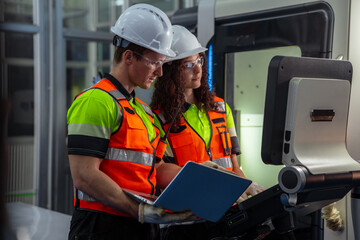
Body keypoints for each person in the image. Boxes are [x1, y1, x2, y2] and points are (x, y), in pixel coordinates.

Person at [67, 5, 194, 240]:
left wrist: (198, 177)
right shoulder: (96, 101)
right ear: (128, 56)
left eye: (162, 63)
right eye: (155, 62)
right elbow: (84, 176)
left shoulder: (142, 111)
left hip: (141, 225)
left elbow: (153, 168)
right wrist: (140, 210)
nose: (160, 72)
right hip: (103, 227)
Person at [151, 25, 266, 240]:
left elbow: (233, 165)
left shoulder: (221, 109)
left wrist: (249, 189)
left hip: (226, 215)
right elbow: (160, 175)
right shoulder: (158, 119)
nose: (198, 70)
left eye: (199, 61)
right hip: (187, 221)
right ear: (169, 70)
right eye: (188, 65)